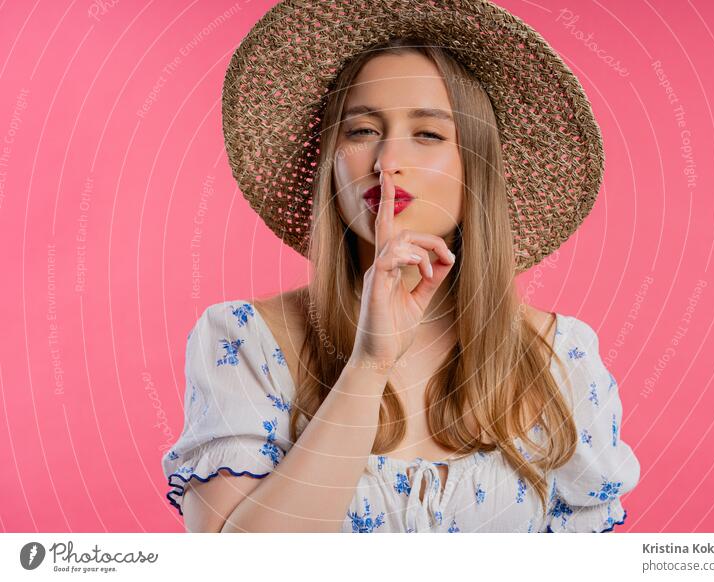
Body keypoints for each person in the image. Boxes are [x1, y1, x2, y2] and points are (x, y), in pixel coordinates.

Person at [162, 0, 640, 533]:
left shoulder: (560, 358)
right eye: (361, 131)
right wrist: (369, 364)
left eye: (429, 134)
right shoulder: (244, 340)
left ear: (478, 168)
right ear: (330, 164)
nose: (387, 160)